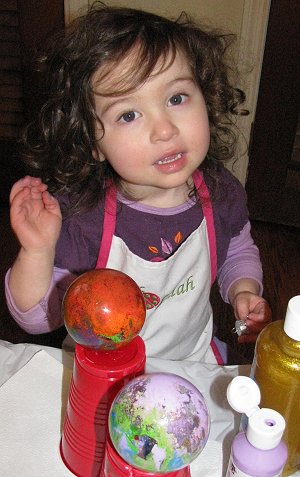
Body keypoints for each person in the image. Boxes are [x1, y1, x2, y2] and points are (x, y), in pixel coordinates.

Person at [5, 4, 271, 364]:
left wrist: (244, 288)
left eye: (176, 98)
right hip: (103, 376)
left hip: (190, 362)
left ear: (206, 99)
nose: (164, 130)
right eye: (129, 115)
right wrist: (37, 251)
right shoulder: (83, 217)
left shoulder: (220, 191)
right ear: (91, 144)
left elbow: (237, 249)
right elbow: (38, 318)